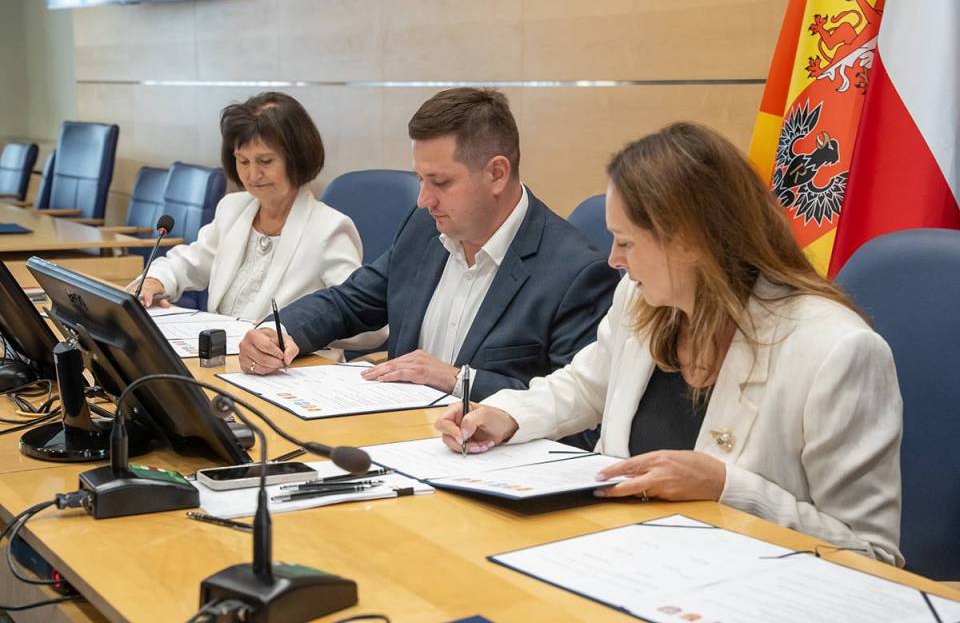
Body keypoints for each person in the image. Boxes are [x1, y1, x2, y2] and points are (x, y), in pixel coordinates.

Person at [435, 122, 904, 566]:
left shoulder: (836, 350)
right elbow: (586, 386)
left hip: (743, 586)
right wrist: (507, 415)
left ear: (689, 243)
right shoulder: (644, 299)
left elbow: (870, 554)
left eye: (626, 243)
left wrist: (726, 487)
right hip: (626, 558)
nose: (613, 260)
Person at [239, 87, 620, 400]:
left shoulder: (574, 273)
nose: (423, 199)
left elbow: (580, 408)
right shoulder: (425, 228)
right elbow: (349, 302)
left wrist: (456, 380)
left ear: (497, 174)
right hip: (396, 435)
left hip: (489, 458)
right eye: (420, 179)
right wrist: (279, 332)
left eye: (440, 182)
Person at [130, 92, 364, 323]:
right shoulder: (233, 208)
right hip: (221, 346)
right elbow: (190, 263)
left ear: (298, 158)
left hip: (288, 349)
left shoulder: (329, 229)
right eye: (243, 161)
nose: (252, 175)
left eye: (265, 161)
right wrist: (155, 280)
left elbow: (360, 315)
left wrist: (294, 327)